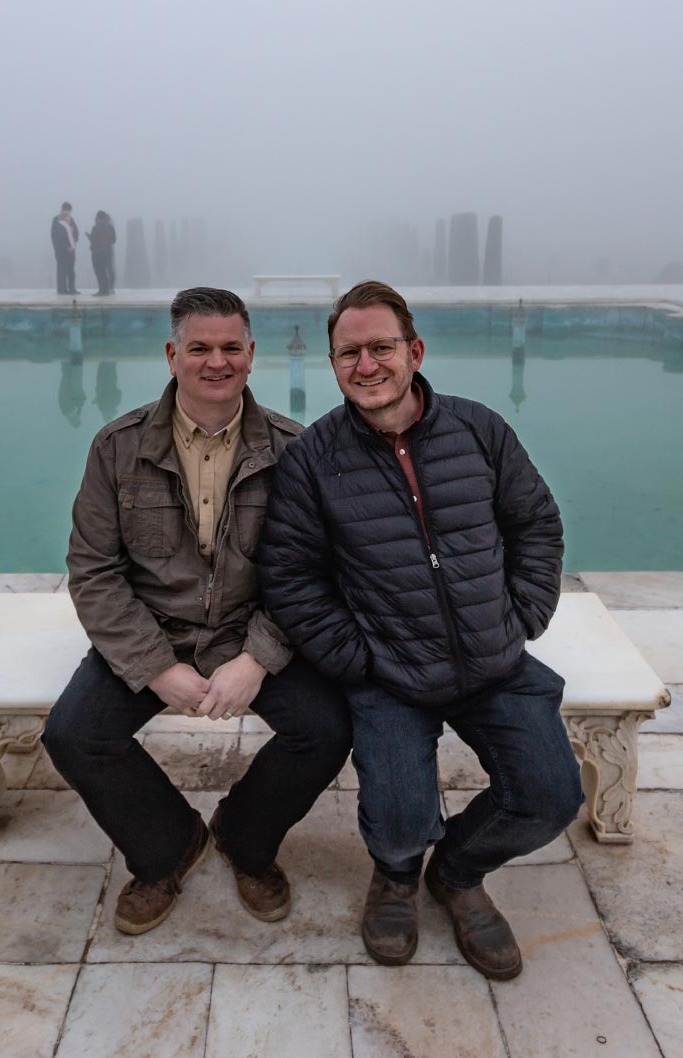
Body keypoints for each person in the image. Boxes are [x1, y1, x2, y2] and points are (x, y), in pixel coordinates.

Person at [260, 279, 579, 981]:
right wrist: (359, 659)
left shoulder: (478, 429)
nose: (366, 366)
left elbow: (536, 525)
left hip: (494, 659)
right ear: (333, 362)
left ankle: (458, 873)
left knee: (552, 796)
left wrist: (521, 614)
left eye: (381, 348)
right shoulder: (313, 460)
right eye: (350, 353)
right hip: (391, 672)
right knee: (401, 817)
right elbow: (290, 578)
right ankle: (398, 875)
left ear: (415, 350)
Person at [49, 286, 352, 936]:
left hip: (251, 634)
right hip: (155, 632)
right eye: (200, 348)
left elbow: (310, 573)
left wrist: (259, 657)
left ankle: (245, 839)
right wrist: (155, 666)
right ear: (171, 354)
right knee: (75, 734)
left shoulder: (296, 450)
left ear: (250, 355)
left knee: (326, 729)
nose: (217, 362)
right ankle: (166, 847)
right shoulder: (117, 448)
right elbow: (94, 571)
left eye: (230, 348)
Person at [50, 202, 79, 296]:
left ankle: (72, 289)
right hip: (61, 250)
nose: (68, 212)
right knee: (62, 270)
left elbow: (76, 233)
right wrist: (66, 247)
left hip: (71, 250)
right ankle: (62, 289)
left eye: (69, 211)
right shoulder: (57, 220)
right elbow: (57, 236)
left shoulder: (71, 220)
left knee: (71, 270)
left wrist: (74, 241)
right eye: (67, 210)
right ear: (63, 209)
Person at [89, 210, 118, 296]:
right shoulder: (110, 227)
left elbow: (94, 242)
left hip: (97, 253)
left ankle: (102, 291)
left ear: (98, 218)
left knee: (100, 273)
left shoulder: (96, 228)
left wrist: (91, 243)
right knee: (105, 272)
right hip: (107, 252)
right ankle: (106, 290)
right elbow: (114, 239)